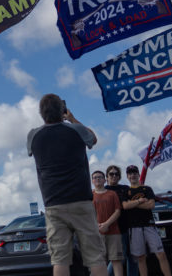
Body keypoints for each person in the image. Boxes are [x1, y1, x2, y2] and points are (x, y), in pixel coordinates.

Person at [26, 94, 107, 276]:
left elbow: (32, 151)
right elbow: (92, 139)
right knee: (95, 257)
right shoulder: (76, 130)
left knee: (60, 260)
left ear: (41, 113)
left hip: (53, 204)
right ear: (62, 110)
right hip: (81, 202)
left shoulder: (33, 136)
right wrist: (71, 119)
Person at [122, 165, 171, 276]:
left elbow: (150, 205)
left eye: (134, 172)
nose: (132, 175)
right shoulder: (126, 191)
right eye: (130, 173)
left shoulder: (147, 189)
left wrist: (133, 204)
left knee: (161, 254)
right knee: (140, 257)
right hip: (134, 228)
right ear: (127, 176)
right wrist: (140, 201)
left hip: (149, 226)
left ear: (138, 174)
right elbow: (125, 206)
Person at [105, 165, 137, 276]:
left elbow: (134, 199)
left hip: (129, 226)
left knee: (133, 256)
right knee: (119, 257)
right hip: (113, 228)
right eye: (111, 174)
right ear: (107, 176)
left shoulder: (125, 188)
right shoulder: (103, 191)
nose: (114, 176)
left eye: (116, 174)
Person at [92, 171, 124, 276]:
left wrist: (106, 224)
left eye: (100, 177)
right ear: (92, 181)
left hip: (114, 232)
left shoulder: (112, 194)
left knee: (116, 261)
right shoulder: (89, 196)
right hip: (96, 234)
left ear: (104, 180)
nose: (97, 179)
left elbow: (118, 211)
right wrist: (97, 226)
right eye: (95, 177)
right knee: (100, 262)